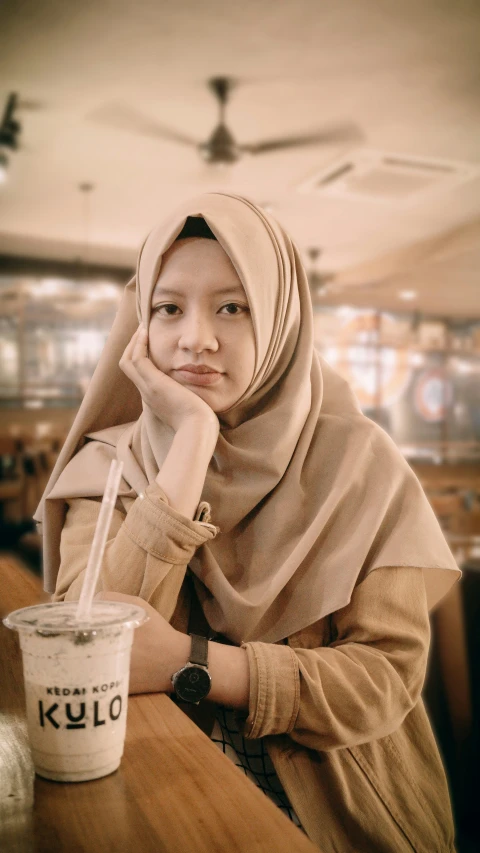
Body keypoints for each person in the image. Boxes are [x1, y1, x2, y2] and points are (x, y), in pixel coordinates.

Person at [36, 192, 461, 852]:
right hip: (163, 795)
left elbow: (385, 680)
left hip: (344, 817)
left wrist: (193, 662)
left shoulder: (362, 464)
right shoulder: (107, 465)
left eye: (232, 307)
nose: (195, 338)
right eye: (167, 307)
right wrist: (191, 442)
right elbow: (89, 652)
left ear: (281, 320)